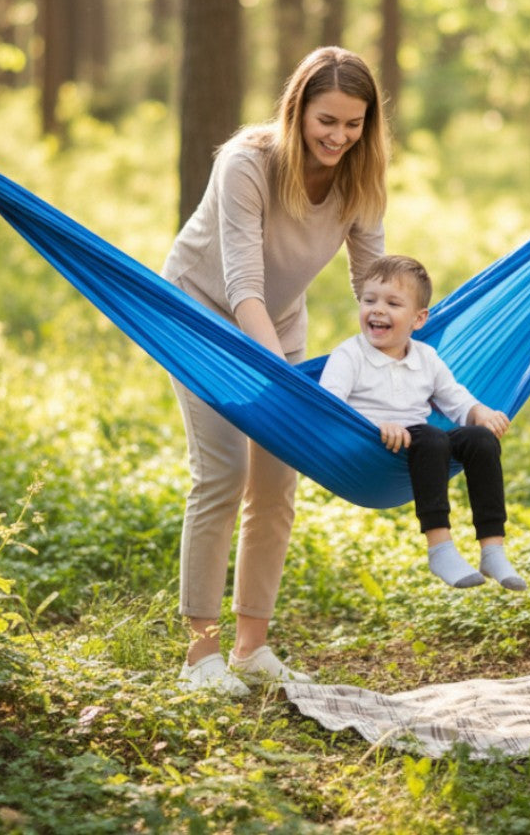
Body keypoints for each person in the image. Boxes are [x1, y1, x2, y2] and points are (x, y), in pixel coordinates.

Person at [162, 47, 388, 695]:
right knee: (223, 473)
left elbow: (370, 274)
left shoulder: (359, 174)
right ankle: (199, 655)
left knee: (276, 485)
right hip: (200, 319)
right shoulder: (247, 163)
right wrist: (284, 381)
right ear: (297, 110)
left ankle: (250, 648)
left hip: (280, 326)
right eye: (327, 121)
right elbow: (241, 282)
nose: (340, 137)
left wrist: (404, 330)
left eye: (354, 124)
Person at [320, 254, 526, 592]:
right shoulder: (349, 355)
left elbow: (456, 400)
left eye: (392, 303)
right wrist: (375, 426)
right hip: (371, 447)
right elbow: (328, 406)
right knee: (432, 436)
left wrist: (481, 413)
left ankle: (492, 548)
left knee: (480, 439)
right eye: (369, 300)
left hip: (424, 447)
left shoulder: (426, 358)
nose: (377, 310)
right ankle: (440, 548)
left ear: (419, 319)